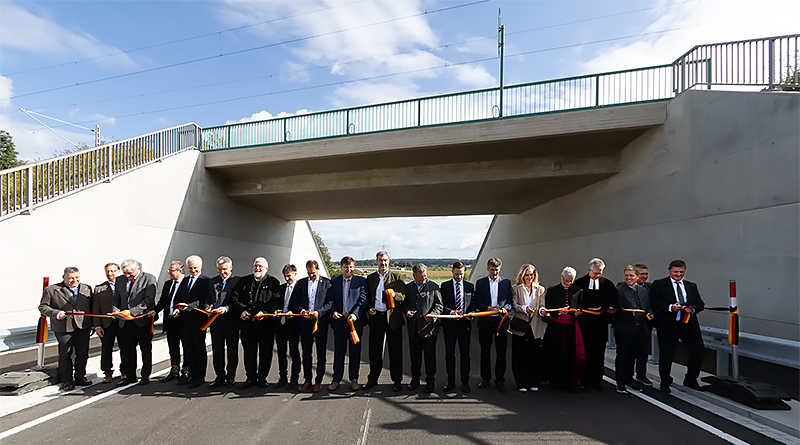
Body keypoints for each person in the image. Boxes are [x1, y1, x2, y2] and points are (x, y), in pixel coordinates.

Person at [650, 259, 706, 393]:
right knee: (667, 354)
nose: (678, 274)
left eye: (681, 272)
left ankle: (691, 379)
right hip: (669, 325)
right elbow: (654, 302)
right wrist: (670, 307)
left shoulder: (691, 286)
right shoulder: (660, 284)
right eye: (676, 272)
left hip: (688, 324)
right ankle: (665, 381)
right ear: (669, 270)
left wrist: (692, 309)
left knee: (698, 350)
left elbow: (700, 303)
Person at [39, 267, 94, 391]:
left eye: (77, 278)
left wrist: (93, 324)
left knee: (82, 353)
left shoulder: (86, 288)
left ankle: (80, 376)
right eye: (71, 278)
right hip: (63, 327)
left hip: (82, 326)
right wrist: (57, 313)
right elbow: (43, 307)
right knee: (65, 354)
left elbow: (91, 307)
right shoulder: (52, 290)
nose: (74, 280)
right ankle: (67, 380)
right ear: (63, 277)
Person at [230, 257, 281, 389]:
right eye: (255, 266)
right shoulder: (244, 281)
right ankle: (250, 377)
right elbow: (234, 297)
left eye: (260, 266)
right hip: (247, 324)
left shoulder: (273, 282)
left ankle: (262, 377)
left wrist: (265, 311)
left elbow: (276, 300)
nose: (257, 268)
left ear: (266, 269)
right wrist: (242, 310)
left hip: (265, 325)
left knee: (265, 352)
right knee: (249, 352)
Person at [363, 250, 406, 392]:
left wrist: (395, 295)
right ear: (376, 261)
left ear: (389, 261)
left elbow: (404, 296)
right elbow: (368, 298)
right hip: (376, 318)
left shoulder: (397, 277)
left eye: (386, 260)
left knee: (395, 352)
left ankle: (397, 381)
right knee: (374, 352)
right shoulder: (370, 278)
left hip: (392, 319)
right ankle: (373, 379)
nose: (383, 263)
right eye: (381, 260)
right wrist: (369, 309)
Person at [112, 259, 158, 386]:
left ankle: (145, 375)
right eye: (126, 273)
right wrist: (115, 310)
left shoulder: (149, 279)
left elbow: (148, 300)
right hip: (124, 322)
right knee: (126, 350)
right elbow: (116, 298)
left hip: (141, 321)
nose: (128, 276)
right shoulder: (120, 280)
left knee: (145, 349)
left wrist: (131, 312)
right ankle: (129, 376)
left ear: (138, 269)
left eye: (130, 273)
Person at [574, 258, 617, 391]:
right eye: (595, 273)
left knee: (598, 351)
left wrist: (607, 308)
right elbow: (575, 300)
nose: (597, 275)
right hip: (585, 322)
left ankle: (597, 379)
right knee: (585, 351)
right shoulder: (580, 283)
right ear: (589, 270)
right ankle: (584, 379)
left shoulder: (607, 284)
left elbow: (613, 301)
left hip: (600, 322)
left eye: (600, 273)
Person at [290, 260, 333, 392]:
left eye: (313, 273)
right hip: (305, 323)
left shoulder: (327, 283)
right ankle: (307, 379)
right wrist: (302, 311)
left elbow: (330, 302)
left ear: (318, 269)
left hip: (320, 323)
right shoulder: (301, 283)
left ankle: (318, 381)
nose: (311, 276)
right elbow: (294, 301)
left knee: (321, 353)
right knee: (306, 352)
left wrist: (318, 313)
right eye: (309, 273)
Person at [328, 256, 368, 391]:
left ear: (354, 267)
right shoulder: (334, 282)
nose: (348, 269)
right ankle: (336, 379)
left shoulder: (361, 281)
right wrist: (333, 312)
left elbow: (363, 300)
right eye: (346, 267)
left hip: (355, 324)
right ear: (341, 268)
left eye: (351, 266)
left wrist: (356, 313)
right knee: (339, 352)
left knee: (355, 352)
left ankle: (354, 379)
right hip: (339, 322)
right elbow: (330, 301)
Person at [172, 255, 212, 389]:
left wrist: (188, 306)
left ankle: (199, 377)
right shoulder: (185, 280)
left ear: (200, 267)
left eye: (195, 268)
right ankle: (190, 374)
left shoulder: (206, 281)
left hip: (198, 320)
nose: (193, 270)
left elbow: (204, 299)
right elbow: (179, 297)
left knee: (199, 348)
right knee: (188, 348)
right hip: (185, 320)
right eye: (190, 268)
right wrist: (178, 308)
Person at [474, 257, 513, 392]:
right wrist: (487, 308)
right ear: (487, 269)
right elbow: (476, 302)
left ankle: (500, 379)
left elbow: (510, 302)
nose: (494, 273)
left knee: (501, 353)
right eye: (492, 270)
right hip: (485, 321)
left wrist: (505, 309)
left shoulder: (506, 283)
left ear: (500, 269)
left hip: (500, 322)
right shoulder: (480, 283)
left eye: (496, 270)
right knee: (485, 352)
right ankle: (485, 378)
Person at [542, 267, 584, 391]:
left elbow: (581, 309)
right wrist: (558, 312)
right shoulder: (552, 290)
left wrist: (578, 314)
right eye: (566, 281)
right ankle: (554, 381)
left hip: (571, 329)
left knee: (570, 355)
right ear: (561, 276)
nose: (568, 284)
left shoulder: (578, 291)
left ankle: (569, 383)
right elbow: (548, 309)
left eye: (570, 281)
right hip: (556, 328)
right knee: (555, 354)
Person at [403, 263, 443, 393]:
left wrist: (433, 315)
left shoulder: (434, 287)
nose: (423, 279)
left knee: (429, 358)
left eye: (425, 276)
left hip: (429, 329)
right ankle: (415, 380)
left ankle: (430, 382)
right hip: (413, 329)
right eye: (421, 277)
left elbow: (439, 306)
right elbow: (403, 304)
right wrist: (407, 311)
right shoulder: (408, 288)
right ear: (414, 276)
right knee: (415, 357)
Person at [613, 265, 653, 394]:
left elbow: (647, 307)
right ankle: (620, 382)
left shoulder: (644, 291)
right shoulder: (619, 290)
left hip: (639, 329)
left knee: (633, 356)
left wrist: (650, 314)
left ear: (637, 277)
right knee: (622, 355)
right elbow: (616, 310)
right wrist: (632, 313)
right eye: (626, 275)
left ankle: (629, 379)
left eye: (631, 276)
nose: (628, 278)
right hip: (623, 328)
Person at [509, 264, 546, 392]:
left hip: (534, 326)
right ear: (522, 276)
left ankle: (534, 382)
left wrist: (542, 311)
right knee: (520, 355)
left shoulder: (540, 289)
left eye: (531, 275)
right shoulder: (515, 288)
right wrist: (524, 308)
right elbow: (514, 305)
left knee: (534, 355)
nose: (529, 277)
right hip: (520, 325)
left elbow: (542, 306)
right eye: (527, 275)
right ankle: (521, 382)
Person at [439, 261, 475, 393]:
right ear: (452, 272)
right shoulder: (445, 286)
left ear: (464, 272)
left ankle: (465, 382)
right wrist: (450, 312)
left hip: (465, 325)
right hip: (450, 325)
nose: (459, 277)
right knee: (450, 354)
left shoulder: (470, 286)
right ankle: (451, 381)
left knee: (465, 355)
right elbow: (441, 305)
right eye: (456, 274)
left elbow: (472, 303)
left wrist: (471, 312)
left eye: (461, 274)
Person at [208, 256, 241, 388]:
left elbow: (237, 301)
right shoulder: (212, 282)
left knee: (232, 350)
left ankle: (231, 376)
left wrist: (227, 308)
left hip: (231, 321)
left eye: (225, 269)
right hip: (215, 321)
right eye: (219, 270)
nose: (222, 272)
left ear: (231, 267)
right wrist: (208, 306)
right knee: (217, 350)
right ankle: (219, 376)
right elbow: (207, 298)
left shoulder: (237, 281)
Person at [153, 261, 186, 382]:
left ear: (180, 271)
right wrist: (155, 311)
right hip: (170, 320)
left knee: (186, 346)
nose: (169, 273)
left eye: (171, 271)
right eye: (169, 270)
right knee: (173, 347)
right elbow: (163, 302)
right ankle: (174, 370)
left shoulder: (186, 283)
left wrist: (180, 310)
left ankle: (186, 370)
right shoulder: (168, 284)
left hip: (183, 321)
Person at [92, 263, 121, 383]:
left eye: (113, 271)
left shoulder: (125, 285)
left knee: (125, 348)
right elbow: (95, 308)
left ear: (118, 271)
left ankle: (125, 371)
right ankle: (107, 372)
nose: (110, 274)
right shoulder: (99, 288)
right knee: (106, 349)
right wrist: (97, 326)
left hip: (122, 323)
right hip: (106, 324)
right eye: (107, 271)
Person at [274, 264, 301, 390]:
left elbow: (301, 305)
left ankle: (294, 379)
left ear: (295, 274)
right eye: (285, 276)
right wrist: (276, 310)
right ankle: (283, 377)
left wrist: (293, 312)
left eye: (289, 276)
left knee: (294, 353)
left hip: (294, 325)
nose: (287, 278)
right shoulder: (281, 288)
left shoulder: (300, 288)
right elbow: (277, 303)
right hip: (281, 324)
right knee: (281, 353)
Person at [633, 263, 654, 387]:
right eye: (642, 274)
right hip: (630, 326)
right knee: (629, 353)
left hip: (645, 325)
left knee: (643, 352)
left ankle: (641, 374)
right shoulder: (623, 287)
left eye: (646, 274)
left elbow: (653, 304)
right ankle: (626, 376)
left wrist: (651, 313)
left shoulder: (650, 288)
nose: (645, 276)